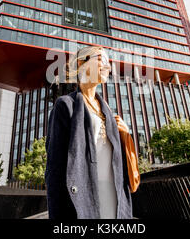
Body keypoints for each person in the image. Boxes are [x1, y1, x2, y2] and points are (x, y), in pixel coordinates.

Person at [45, 46, 133, 219]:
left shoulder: (108, 110)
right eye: (101, 59)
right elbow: (54, 168)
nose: (107, 66)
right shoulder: (65, 105)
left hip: (114, 194)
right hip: (82, 196)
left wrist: (126, 133)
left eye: (108, 63)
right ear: (81, 63)